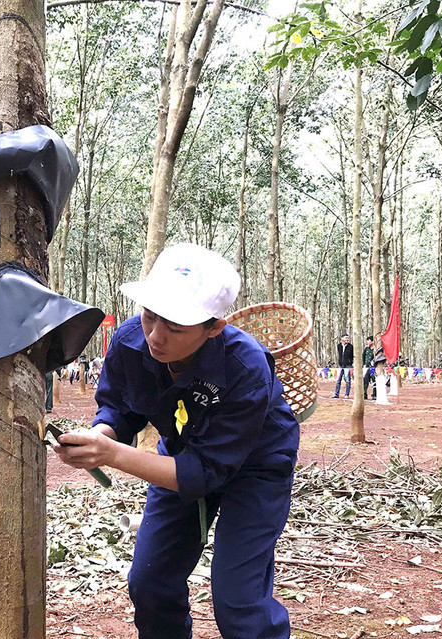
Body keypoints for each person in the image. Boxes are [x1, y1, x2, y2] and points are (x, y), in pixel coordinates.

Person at [52, 243, 299, 639]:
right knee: (150, 583)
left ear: (214, 326)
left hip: (255, 467)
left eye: (175, 326)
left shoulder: (244, 367)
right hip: (180, 451)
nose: (156, 336)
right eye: (150, 316)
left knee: (238, 600)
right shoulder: (130, 341)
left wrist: (113, 454)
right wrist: (100, 436)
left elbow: (203, 474)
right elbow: (119, 406)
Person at [333, 333, 353, 398]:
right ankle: (336, 394)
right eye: (346, 338)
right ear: (342, 339)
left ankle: (347, 394)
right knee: (338, 379)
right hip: (340, 365)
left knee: (347, 380)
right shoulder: (339, 346)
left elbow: (352, 355)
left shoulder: (350, 346)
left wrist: (350, 362)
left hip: (348, 365)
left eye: (348, 338)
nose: (347, 340)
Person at [362, 336, 375, 400]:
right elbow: (363, 357)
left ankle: (374, 395)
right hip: (366, 367)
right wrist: (363, 364)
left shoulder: (375, 349)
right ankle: (364, 394)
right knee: (365, 381)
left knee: (374, 381)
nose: (367, 342)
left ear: (372, 341)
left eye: (368, 340)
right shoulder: (366, 349)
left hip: (373, 367)